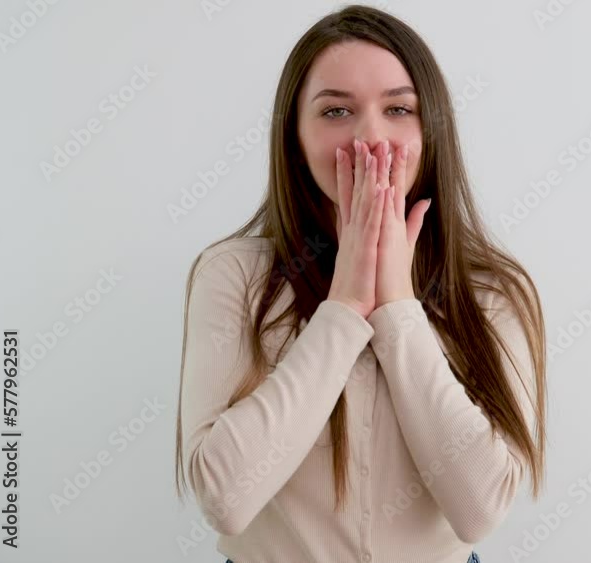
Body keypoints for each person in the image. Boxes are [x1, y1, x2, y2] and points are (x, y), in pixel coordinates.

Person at [172, 5, 548, 562]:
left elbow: (479, 510)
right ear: (294, 138)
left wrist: (397, 306)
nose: (371, 137)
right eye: (336, 111)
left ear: (432, 131)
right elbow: (225, 501)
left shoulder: (492, 291)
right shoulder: (233, 274)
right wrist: (345, 306)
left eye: (398, 109)